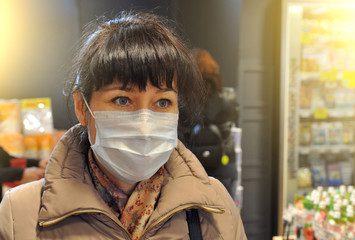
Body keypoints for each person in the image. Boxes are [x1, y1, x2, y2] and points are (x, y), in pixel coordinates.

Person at [0, 11, 246, 239]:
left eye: (162, 102)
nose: (144, 125)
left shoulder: (215, 206)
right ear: (81, 107)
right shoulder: (22, 212)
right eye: (122, 100)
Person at [189, 48, 239, 198]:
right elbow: (234, 119)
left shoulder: (183, 100)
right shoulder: (228, 97)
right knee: (226, 217)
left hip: (193, 171)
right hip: (224, 167)